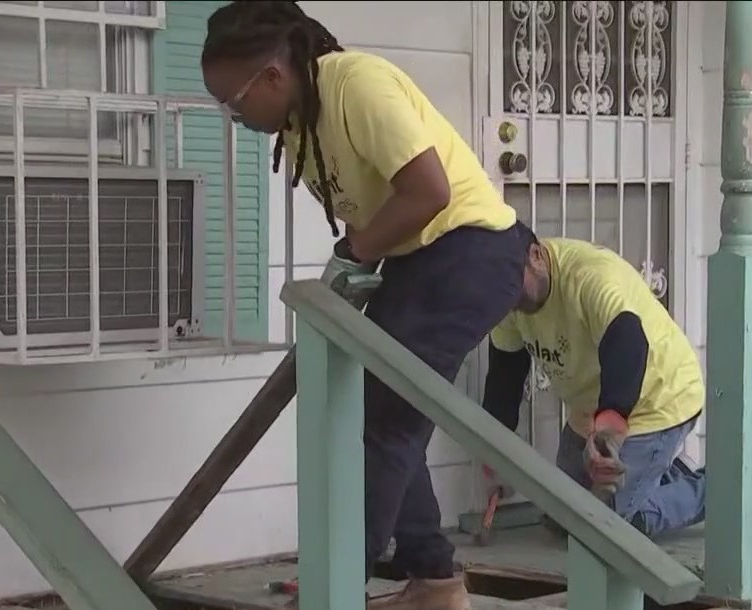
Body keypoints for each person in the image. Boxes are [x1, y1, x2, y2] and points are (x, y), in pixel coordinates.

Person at [200, 2, 526, 609]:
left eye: (234, 102)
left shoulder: (357, 84)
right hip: (416, 259)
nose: (234, 116)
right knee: (374, 414)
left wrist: (354, 250)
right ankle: (433, 581)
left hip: (471, 250)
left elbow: (429, 191)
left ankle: (340, 585)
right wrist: (350, 268)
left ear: (272, 76)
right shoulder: (301, 123)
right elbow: (374, 218)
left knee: (384, 417)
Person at [481, 229, 707, 538]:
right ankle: (656, 468)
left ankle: (717, 490)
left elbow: (627, 343)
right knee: (563, 518)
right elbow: (504, 379)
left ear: (536, 256)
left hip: (659, 397)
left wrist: (609, 432)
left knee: (605, 528)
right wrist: (495, 454)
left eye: (511, 285)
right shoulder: (508, 298)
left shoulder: (591, 277)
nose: (506, 298)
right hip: (594, 405)